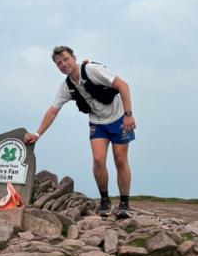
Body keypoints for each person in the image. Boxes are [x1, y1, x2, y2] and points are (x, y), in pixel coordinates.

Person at [24, 46, 136, 219]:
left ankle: (124, 203)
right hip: (97, 123)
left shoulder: (92, 70)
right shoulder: (67, 86)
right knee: (98, 160)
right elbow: (53, 110)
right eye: (59, 63)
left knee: (120, 159)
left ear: (74, 58)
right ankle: (105, 200)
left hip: (119, 118)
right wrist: (37, 134)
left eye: (66, 59)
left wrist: (128, 115)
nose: (63, 64)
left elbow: (123, 85)